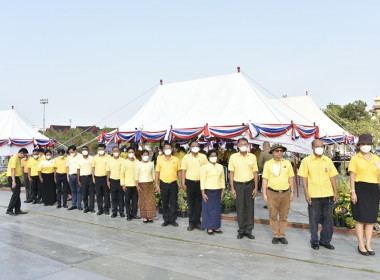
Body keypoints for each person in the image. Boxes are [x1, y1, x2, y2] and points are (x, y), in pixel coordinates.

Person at [298, 139, 338, 250]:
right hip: (314, 194)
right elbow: (304, 179)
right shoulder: (306, 161)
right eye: (317, 146)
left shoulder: (328, 160)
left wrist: (335, 191)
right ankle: (314, 241)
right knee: (314, 219)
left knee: (328, 219)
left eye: (321, 146)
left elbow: (332, 177)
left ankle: (325, 240)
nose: (320, 148)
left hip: (328, 193)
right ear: (312, 148)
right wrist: (306, 193)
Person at [348, 134, 380, 256]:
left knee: (371, 220)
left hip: (373, 189)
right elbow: (352, 176)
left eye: (367, 144)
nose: (365, 146)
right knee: (360, 219)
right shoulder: (355, 159)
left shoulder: (377, 159)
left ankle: (368, 244)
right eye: (363, 144)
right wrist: (353, 192)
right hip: (360, 188)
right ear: (359, 145)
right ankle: (361, 244)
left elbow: (378, 176)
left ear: (371, 145)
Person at [262, 143, 295, 244]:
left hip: (285, 192)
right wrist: (264, 193)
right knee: (273, 215)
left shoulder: (287, 163)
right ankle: (275, 234)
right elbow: (265, 179)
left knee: (284, 215)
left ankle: (282, 235)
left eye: (281, 151)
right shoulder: (268, 164)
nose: (279, 153)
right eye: (277, 151)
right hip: (272, 192)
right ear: (272, 152)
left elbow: (290, 178)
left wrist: (292, 191)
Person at [228, 137, 259, 239]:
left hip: (250, 185)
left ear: (248, 145)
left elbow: (255, 173)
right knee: (240, 207)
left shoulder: (252, 157)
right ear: (237, 146)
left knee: (250, 208)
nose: (243, 146)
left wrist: (256, 188)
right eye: (241, 144)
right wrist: (232, 188)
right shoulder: (233, 157)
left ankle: (249, 230)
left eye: (245, 144)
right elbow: (231, 174)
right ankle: (241, 230)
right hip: (238, 185)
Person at [181, 140, 208, 231]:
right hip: (190, 182)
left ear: (199, 148)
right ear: (190, 148)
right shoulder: (186, 158)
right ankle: (191, 223)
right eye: (193, 146)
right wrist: (183, 183)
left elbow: (207, 169)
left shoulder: (203, 157)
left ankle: (198, 222)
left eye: (197, 146)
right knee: (191, 203)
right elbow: (183, 171)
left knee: (199, 204)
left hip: (201, 183)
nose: (195, 147)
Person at [155, 142, 181, 227]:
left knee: (173, 202)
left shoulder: (175, 159)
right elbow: (157, 172)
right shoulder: (160, 159)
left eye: (169, 148)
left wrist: (180, 182)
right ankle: (166, 219)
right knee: (165, 202)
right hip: (163, 183)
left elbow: (179, 172)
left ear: (172, 149)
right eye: (166, 149)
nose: (168, 150)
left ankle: (173, 219)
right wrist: (156, 184)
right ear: (163, 150)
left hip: (173, 183)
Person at [200, 150, 225, 235]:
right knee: (208, 209)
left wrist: (223, 191)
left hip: (218, 190)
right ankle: (209, 227)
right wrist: (203, 193)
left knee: (217, 210)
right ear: (208, 157)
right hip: (208, 190)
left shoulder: (220, 167)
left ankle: (216, 226)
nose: (213, 157)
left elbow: (222, 179)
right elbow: (202, 180)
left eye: (215, 155)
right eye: (212, 155)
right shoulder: (204, 167)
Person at [135, 149, 156, 223]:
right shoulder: (138, 163)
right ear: (141, 156)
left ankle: (150, 217)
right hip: (141, 183)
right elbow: (136, 174)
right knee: (143, 200)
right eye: (144, 155)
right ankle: (144, 217)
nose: (146, 156)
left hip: (150, 183)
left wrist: (155, 183)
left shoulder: (151, 163)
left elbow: (153, 174)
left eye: (147, 155)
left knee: (150, 201)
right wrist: (137, 185)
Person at [6, 148, 29, 215]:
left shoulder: (18, 159)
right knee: (15, 194)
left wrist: (20, 177)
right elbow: (12, 170)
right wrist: (13, 181)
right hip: (12, 178)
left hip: (16, 177)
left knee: (17, 194)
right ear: (21, 153)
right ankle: (9, 210)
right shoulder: (14, 158)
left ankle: (17, 210)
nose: (24, 157)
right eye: (24, 155)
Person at [120, 147, 139, 220]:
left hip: (136, 184)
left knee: (135, 200)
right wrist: (123, 184)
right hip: (127, 184)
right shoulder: (124, 162)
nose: (131, 153)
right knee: (127, 200)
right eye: (129, 152)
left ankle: (134, 213)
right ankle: (128, 214)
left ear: (134, 153)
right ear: (127, 153)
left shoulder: (137, 161)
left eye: (132, 152)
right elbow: (122, 174)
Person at [106, 146, 125, 218]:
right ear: (112, 152)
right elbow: (108, 171)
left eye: (117, 151)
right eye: (114, 151)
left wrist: (124, 182)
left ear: (119, 151)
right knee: (113, 197)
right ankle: (114, 212)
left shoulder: (123, 160)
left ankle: (121, 211)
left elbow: (124, 172)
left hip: (120, 181)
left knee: (121, 197)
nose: (116, 152)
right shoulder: (109, 160)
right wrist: (108, 181)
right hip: (112, 181)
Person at [92, 143, 111, 215]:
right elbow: (93, 168)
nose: (100, 151)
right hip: (97, 178)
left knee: (106, 194)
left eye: (102, 149)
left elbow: (110, 168)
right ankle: (100, 209)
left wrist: (108, 179)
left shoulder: (109, 157)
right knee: (98, 194)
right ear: (97, 150)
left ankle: (106, 209)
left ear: (105, 149)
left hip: (105, 177)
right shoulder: (95, 157)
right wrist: (93, 177)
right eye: (99, 149)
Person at [78, 146, 95, 213]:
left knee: (91, 193)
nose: (84, 151)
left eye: (86, 149)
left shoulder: (92, 158)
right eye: (83, 150)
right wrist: (78, 180)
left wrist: (94, 178)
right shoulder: (79, 159)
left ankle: (91, 207)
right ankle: (86, 207)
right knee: (84, 193)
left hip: (90, 177)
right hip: (83, 178)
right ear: (81, 151)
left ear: (88, 150)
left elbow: (94, 168)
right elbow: (78, 170)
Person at [66, 145, 83, 210]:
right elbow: (67, 167)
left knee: (79, 190)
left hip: (78, 175)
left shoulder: (80, 156)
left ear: (75, 150)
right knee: (73, 190)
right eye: (70, 152)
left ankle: (79, 205)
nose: (71, 153)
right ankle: (73, 204)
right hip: (71, 175)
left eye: (72, 152)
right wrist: (67, 176)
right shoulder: (69, 157)